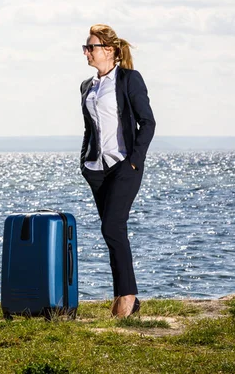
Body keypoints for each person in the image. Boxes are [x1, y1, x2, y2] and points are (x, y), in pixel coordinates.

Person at [79, 24, 156, 318]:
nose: (86, 52)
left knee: (111, 228)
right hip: (96, 169)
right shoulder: (87, 86)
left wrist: (135, 160)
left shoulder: (128, 80)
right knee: (113, 232)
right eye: (86, 48)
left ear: (109, 51)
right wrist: (84, 162)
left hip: (125, 166)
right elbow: (90, 128)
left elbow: (147, 122)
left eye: (91, 47)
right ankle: (125, 297)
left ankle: (127, 296)